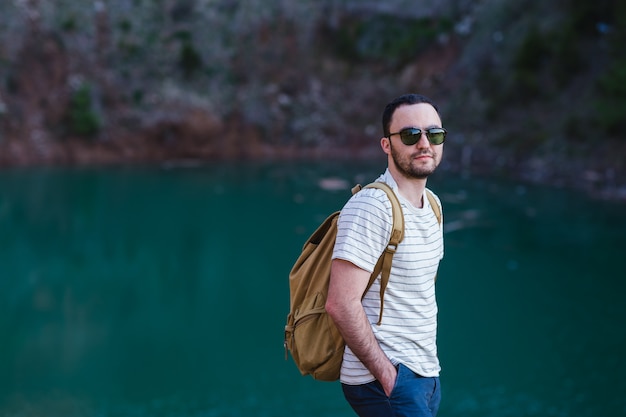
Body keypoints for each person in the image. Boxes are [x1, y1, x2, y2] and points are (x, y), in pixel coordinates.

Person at [326, 93, 446, 417]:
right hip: (384, 381)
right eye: (410, 135)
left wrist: (421, 377)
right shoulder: (372, 206)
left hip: (424, 375)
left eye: (433, 134)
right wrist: (389, 377)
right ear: (386, 145)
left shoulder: (433, 204)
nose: (424, 143)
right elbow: (339, 303)